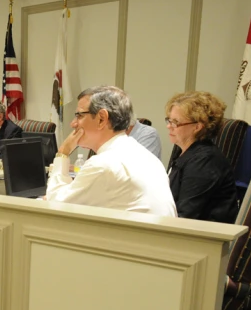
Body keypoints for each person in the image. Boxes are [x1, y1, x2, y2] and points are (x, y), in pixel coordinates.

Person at [46, 86, 177, 217]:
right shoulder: (146, 156)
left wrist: (63, 153)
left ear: (101, 119)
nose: (73, 124)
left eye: (79, 115)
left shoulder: (103, 164)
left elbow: (56, 205)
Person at [166, 91, 238, 223]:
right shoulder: (182, 149)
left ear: (197, 127)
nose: (169, 126)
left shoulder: (205, 161)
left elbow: (186, 215)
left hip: (204, 238)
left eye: (175, 122)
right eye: (169, 120)